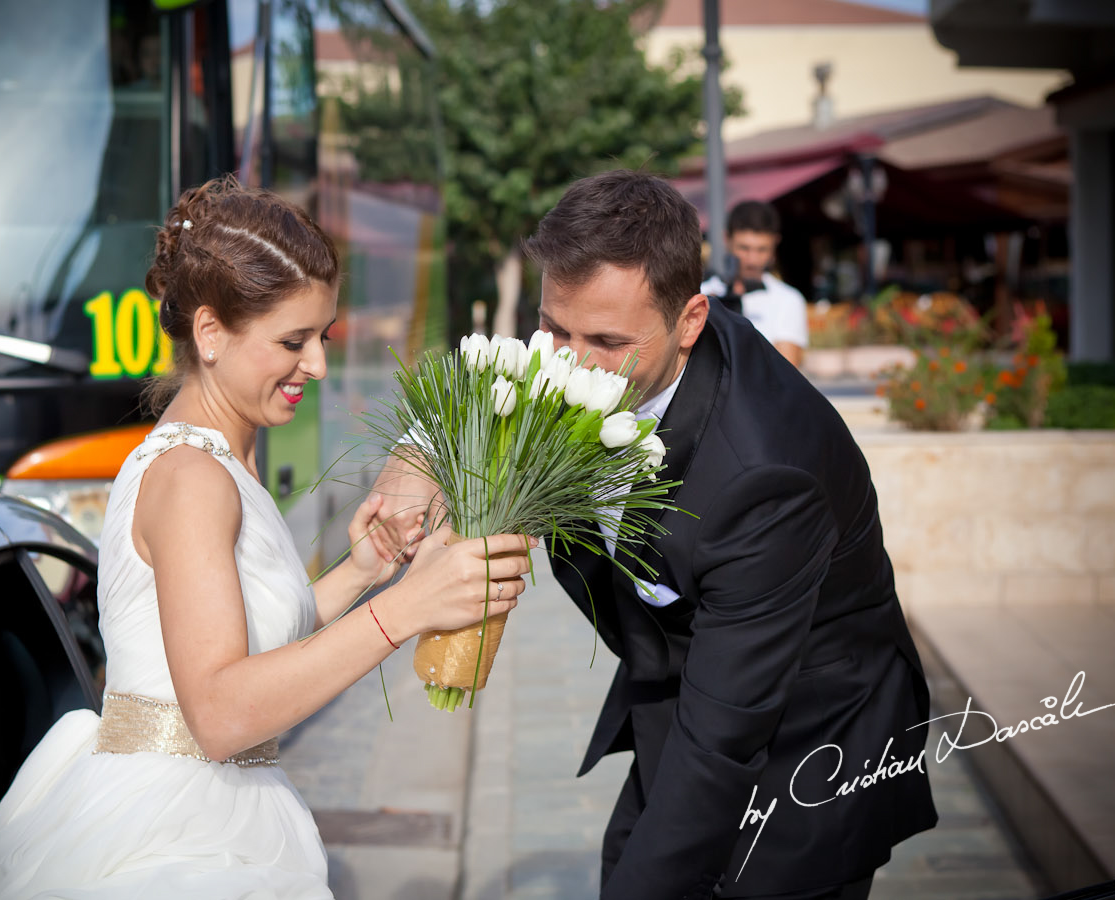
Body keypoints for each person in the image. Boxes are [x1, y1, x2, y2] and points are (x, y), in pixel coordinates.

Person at [0, 175, 534, 899]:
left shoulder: (216, 458)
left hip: (197, 809)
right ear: (210, 333)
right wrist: (403, 611)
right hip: (177, 831)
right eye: (293, 341)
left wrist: (363, 570)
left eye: (323, 336)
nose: (318, 364)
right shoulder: (192, 476)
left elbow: (247, 639)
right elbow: (216, 712)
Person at [372, 171, 936, 899]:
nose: (567, 364)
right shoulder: (592, 337)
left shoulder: (765, 479)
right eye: (555, 329)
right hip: (686, 687)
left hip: (812, 741)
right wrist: (417, 457)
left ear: (690, 321)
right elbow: (505, 374)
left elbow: (723, 742)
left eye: (605, 340)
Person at [699, 200, 808, 368]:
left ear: (775, 244)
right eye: (744, 248)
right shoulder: (701, 294)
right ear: (726, 239)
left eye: (761, 249)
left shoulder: (788, 300)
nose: (752, 260)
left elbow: (786, 372)